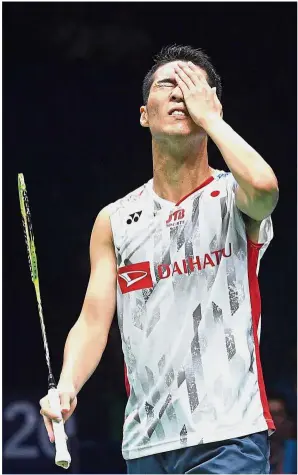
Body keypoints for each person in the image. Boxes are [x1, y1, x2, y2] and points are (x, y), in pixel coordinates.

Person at [40, 45, 279, 474]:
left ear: (211, 104)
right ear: (144, 115)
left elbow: (265, 187)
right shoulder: (115, 220)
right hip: (146, 444)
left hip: (229, 436)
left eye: (193, 86)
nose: (179, 93)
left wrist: (212, 120)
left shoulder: (233, 197)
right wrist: (68, 384)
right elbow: (94, 320)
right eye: (168, 84)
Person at [268, 393, 297, 474]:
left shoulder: (294, 451)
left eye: (279, 414)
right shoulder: (252, 451)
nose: (275, 419)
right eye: (270, 414)